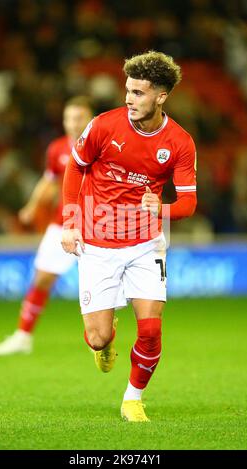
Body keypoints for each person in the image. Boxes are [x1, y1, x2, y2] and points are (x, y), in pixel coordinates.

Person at [61, 51, 197, 422]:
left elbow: (188, 203)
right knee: (98, 338)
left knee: (151, 327)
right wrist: (70, 221)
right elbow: (76, 168)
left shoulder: (181, 143)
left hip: (145, 244)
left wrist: (162, 210)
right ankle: (103, 343)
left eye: (138, 93)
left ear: (161, 97)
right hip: (97, 242)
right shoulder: (104, 126)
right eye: (127, 90)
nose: (129, 99)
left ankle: (133, 399)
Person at [0, 96, 93, 356]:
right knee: (42, 278)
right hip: (63, 224)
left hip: (96, 226)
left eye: (78, 118)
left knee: (102, 286)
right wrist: (32, 206)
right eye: (68, 118)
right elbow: (49, 181)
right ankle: (23, 335)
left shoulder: (103, 147)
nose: (72, 123)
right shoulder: (57, 149)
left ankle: (102, 340)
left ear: (90, 119)